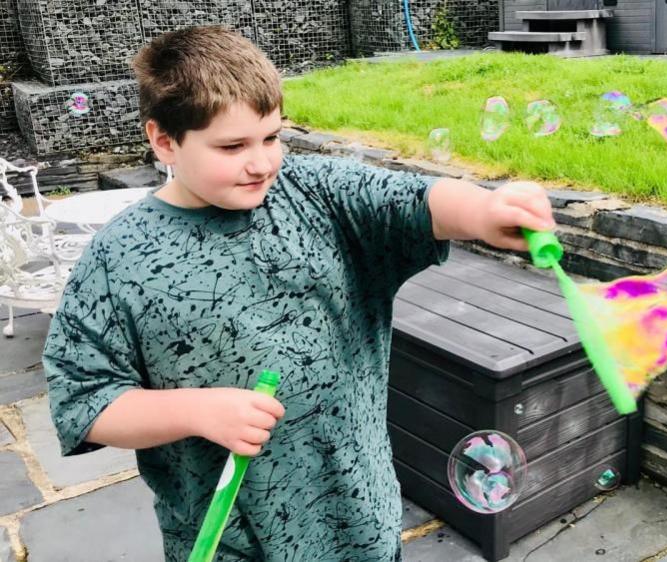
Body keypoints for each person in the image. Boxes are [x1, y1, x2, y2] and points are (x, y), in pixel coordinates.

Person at [43, 25, 555, 561]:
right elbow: (86, 402)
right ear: (164, 140)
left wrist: (484, 210)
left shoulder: (316, 193)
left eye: (271, 137)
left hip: (357, 520)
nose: (261, 162)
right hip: (229, 541)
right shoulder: (121, 256)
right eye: (232, 145)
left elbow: (410, 200)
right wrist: (198, 410)